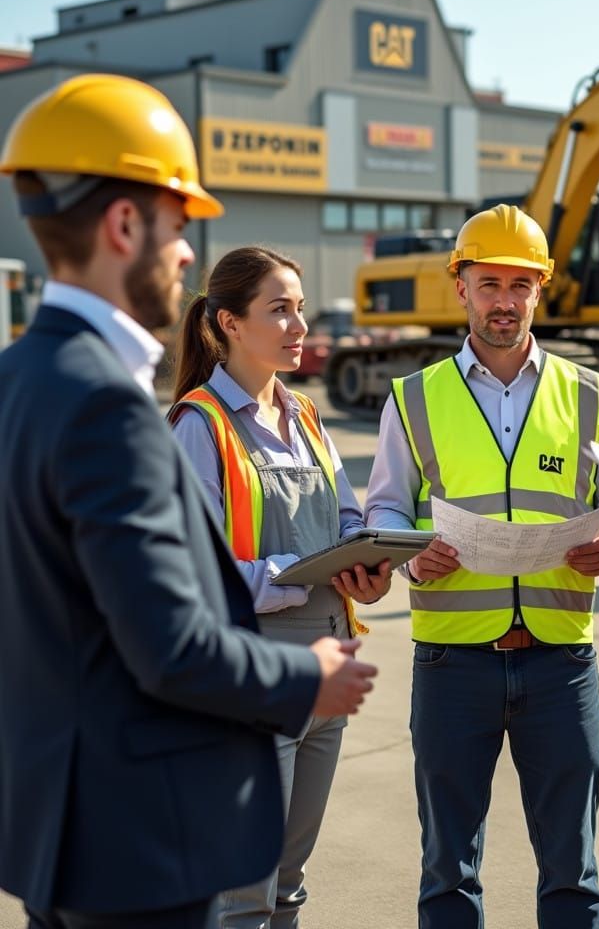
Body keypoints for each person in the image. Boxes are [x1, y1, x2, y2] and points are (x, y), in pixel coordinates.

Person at [0, 73, 377, 929]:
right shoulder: (108, 406)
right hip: (133, 833)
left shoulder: (18, 378)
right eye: (178, 228)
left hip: (56, 824)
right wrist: (304, 675)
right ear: (125, 224)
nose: (182, 257)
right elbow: (170, 647)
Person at [363, 203, 599, 929]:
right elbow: (383, 512)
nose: (505, 302)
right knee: (448, 872)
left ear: (541, 290)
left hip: (561, 664)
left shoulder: (592, 396)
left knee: (573, 874)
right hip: (453, 664)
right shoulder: (413, 398)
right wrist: (410, 551)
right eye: (490, 284)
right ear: (461, 286)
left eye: (521, 285)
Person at [169, 245, 390, 927]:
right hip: (256, 670)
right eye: (279, 311)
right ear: (228, 323)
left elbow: (346, 518)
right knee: (244, 891)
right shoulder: (197, 428)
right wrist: (289, 578)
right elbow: (189, 573)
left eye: (299, 309)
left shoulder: (307, 416)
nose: (299, 326)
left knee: (289, 881)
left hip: (327, 666)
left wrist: (370, 563)